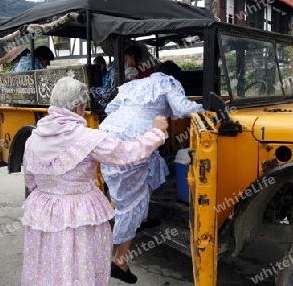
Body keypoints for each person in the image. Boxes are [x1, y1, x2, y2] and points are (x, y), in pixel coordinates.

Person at [20, 76, 168, 286]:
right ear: (79, 106)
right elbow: (127, 153)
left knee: (47, 262)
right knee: (79, 263)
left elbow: (31, 180)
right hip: (80, 212)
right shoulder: (87, 138)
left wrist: (51, 194)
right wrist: (156, 133)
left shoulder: (33, 137)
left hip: (43, 210)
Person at [99, 60, 204, 283]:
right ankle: (119, 260)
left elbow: (111, 108)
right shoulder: (169, 81)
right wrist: (206, 110)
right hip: (136, 138)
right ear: (175, 76)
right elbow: (183, 109)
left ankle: (142, 218)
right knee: (131, 200)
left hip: (109, 133)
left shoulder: (135, 84)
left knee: (154, 170)